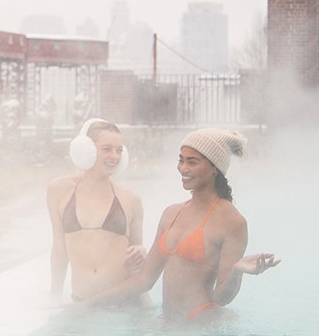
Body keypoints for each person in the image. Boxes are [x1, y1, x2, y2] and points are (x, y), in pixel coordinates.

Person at [85, 127, 279, 321]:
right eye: (181, 160)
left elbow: (222, 297)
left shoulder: (231, 221)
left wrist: (237, 272)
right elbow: (144, 280)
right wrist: (87, 304)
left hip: (202, 326)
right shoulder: (172, 213)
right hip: (169, 322)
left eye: (192, 162)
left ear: (214, 168)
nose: (183, 168)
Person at [47, 119, 148, 303]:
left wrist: (142, 251)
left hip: (123, 305)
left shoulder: (130, 199)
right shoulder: (60, 190)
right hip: (81, 303)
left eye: (119, 150)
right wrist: (55, 296)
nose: (114, 156)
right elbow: (59, 250)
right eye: (107, 149)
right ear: (87, 150)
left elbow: (138, 266)